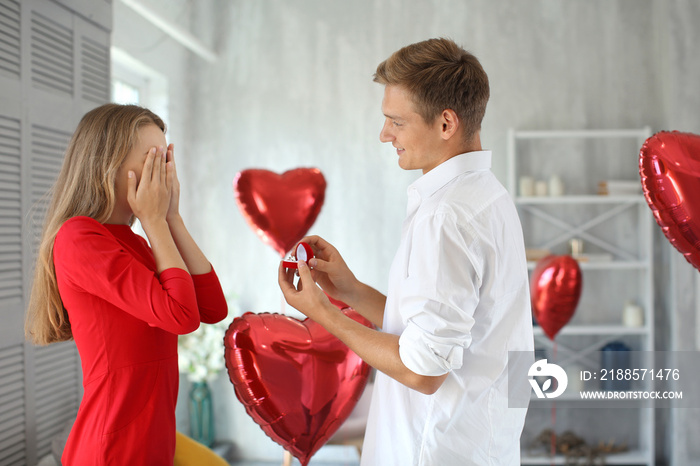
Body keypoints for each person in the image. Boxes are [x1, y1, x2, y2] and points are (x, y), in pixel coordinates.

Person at [278, 38, 534, 465]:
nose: (384, 135)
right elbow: (445, 333)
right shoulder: (487, 196)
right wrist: (353, 292)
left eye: (396, 122)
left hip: (435, 451)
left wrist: (324, 314)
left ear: (446, 123)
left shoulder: (446, 217)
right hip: (477, 444)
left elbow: (423, 369)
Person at [25, 104, 228, 465]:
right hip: (112, 449)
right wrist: (154, 221)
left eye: (166, 159)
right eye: (153, 159)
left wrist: (172, 218)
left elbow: (212, 308)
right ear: (108, 164)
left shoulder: (135, 241)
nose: (164, 172)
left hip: (154, 441)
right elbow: (181, 316)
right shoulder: (79, 237)